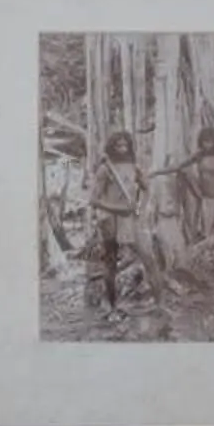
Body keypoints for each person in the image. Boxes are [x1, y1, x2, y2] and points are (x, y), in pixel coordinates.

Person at [84, 130, 147, 316]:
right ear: (112, 147)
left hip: (128, 219)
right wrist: (117, 208)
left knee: (142, 255)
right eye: (118, 145)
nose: (122, 148)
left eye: (125, 145)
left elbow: (146, 188)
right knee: (110, 262)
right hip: (109, 219)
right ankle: (111, 305)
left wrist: (141, 208)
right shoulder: (105, 169)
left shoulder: (134, 167)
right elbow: (93, 200)